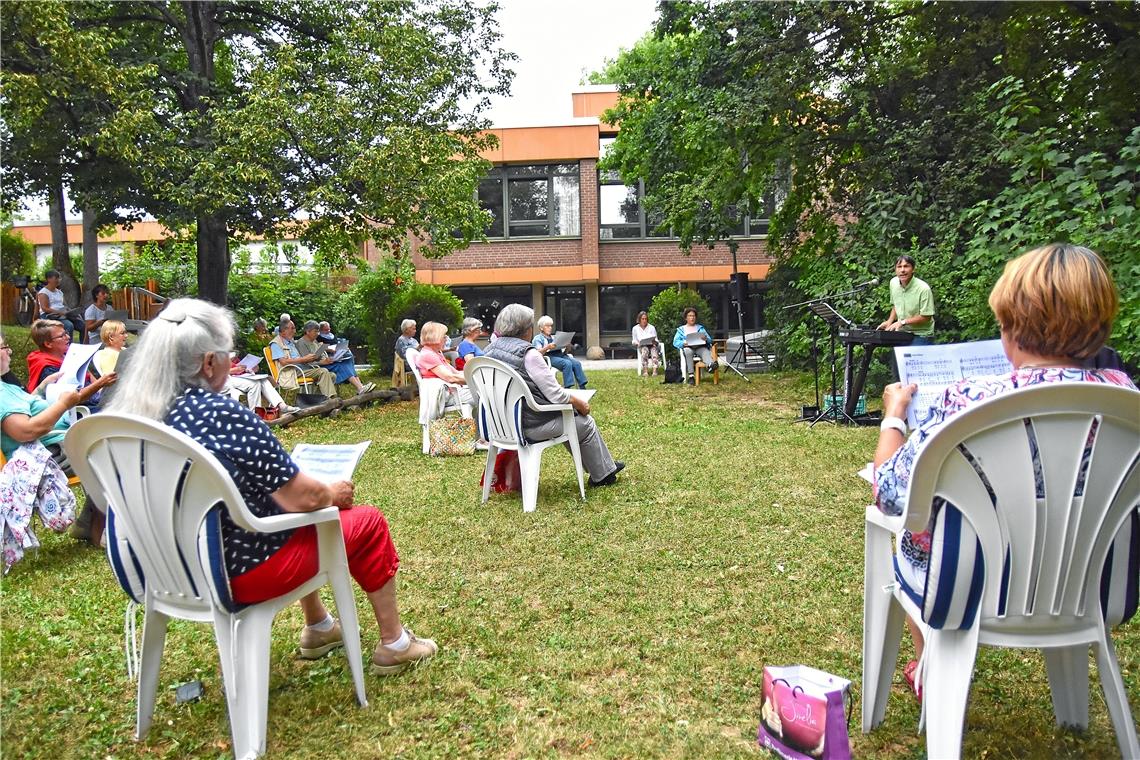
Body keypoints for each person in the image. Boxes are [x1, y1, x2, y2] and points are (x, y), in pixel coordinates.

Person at [104, 298, 438, 673]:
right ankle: (395, 643)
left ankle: (319, 626)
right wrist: (333, 493)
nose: (233, 363)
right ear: (208, 362)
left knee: (278, 507)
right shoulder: (222, 413)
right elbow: (304, 497)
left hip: (159, 573)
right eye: (228, 354)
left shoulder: (127, 416)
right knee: (364, 520)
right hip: (236, 572)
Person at [871, 243, 1135, 700]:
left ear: (1011, 328)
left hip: (972, 587)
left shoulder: (970, 399)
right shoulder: (1126, 398)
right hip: (1096, 587)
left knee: (910, 531)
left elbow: (890, 491)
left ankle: (927, 668)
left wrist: (895, 414)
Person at [484, 304, 623, 486]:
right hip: (528, 426)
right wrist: (579, 403)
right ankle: (603, 474)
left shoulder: (489, 352)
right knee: (583, 422)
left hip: (498, 426)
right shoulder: (529, 354)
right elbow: (556, 395)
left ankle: (605, 469)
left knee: (569, 420)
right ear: (526, 329)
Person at [1, 331, 117, 544]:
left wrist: (44, 386)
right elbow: (25, 431)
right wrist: (63, 404)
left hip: (56, 445)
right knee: (110, 452)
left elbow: (26, 404)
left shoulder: (7, 387)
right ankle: (100, 530)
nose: (9, 351)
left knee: (109, 443)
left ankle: (88, 523)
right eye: (3, 347)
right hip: (41, 457)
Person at [297, 320, 374, 395]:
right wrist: (322, 362)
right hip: (314, 368)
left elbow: (321, 354)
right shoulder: (301, 343)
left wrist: (328, 357)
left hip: (323, 364)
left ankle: (360, 386)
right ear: (308, 331)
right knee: (341, 365)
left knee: (347, 361)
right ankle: (360, 388)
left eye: (318, 331)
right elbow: (307, 363)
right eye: (315, 331)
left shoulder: (314, 341)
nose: (317, 334)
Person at [269, 318, 337, 399]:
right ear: (284, 330)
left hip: (303, 368)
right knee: (323, 371)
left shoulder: (290, 342)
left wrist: (311, 358)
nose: (294, 331)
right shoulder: (276, 344)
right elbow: (283, 362)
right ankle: (330, 401)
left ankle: (319, 401)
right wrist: (303, 359)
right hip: (292, 371)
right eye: (292, 328)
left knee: (332, 375)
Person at [877, 255, 935, 345]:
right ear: (895, 270)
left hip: (921, 335)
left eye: (906, 266)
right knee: (896, 359)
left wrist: (902, 322)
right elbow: (896, 305)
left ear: (913, 269)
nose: (902, 270)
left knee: (914, 359)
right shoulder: (893, 283)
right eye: (899, 267)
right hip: (901, 333)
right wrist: (890, 321)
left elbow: (926, 317)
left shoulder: (923, 289)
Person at [414, 322, 474, 408]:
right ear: (435, 337)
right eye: (444, 336)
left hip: (451, 392)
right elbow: (451, 378)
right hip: (445, 396)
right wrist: (476, 380)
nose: (446, 339)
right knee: (486, 393)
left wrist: (476, 375)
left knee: (485, 391)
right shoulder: (428, 355)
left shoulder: (435, 352)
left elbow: (455, 373)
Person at [226, 355, 299, 417]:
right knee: (255, 384)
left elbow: (236, 366)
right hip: (224, 379)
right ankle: (255, 415)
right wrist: (234, 370)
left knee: (264, 380)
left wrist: (248, 368)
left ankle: (281, 405)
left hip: (238, 376)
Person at [532, 315, 587, 389]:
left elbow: (565, 352)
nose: (550, 328)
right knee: (567, 363)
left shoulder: (554, 337)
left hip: (560, 355)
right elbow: (537, 353)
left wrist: (567, 347)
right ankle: (568, 387)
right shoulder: (538, 338)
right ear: (541, 328)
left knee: (576, 363)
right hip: (549, 357)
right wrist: (547, 347)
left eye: (551, 326)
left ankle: (582, 386)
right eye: (547, 326)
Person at [35, 270, 86, 342]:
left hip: (63, 314)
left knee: (82, 325)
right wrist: (58, 312)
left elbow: (64, 305)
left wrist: (70, 312)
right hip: (49, 315)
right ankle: (67, 349)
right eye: (56, 278)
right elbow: (45, 308)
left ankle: (82, 347)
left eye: (59, 278)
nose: (59, 280)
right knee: (69, 325)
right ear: (49, 279)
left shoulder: (59, 292)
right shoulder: (43, 292)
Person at [25, 319, 71, 392]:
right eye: (62, 336)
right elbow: (69, 395)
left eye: (66, 333)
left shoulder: (68, 355)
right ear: (48, 344)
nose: (68, 337)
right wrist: (96, 386)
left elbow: (88, 376)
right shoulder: (47, 368)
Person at [672, 307, 714, 383]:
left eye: (693, 316)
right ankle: (691, 376)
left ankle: (710, 365)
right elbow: (675, 342)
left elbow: (710, 340)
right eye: (690, 316)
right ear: (686, 318)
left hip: (699, 346)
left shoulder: (700, 328)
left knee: (705, 351)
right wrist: (683, 343)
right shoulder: (681, 329)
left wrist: (706, 339)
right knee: (688, 351)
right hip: (688, 347)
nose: (692, 318)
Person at [631, 311, 659, 377]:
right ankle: (645, 370)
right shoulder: (635, 328)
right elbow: (633, 340)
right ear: (639, 319)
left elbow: (656, 339)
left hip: (651, 345)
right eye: (642, 319)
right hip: (642, 345)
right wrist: (637, 343)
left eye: (645, 319)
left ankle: (655, 370)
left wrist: (654, 341)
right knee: (644, 350)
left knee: (654, 351)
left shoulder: (651, 327)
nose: (644, 320)